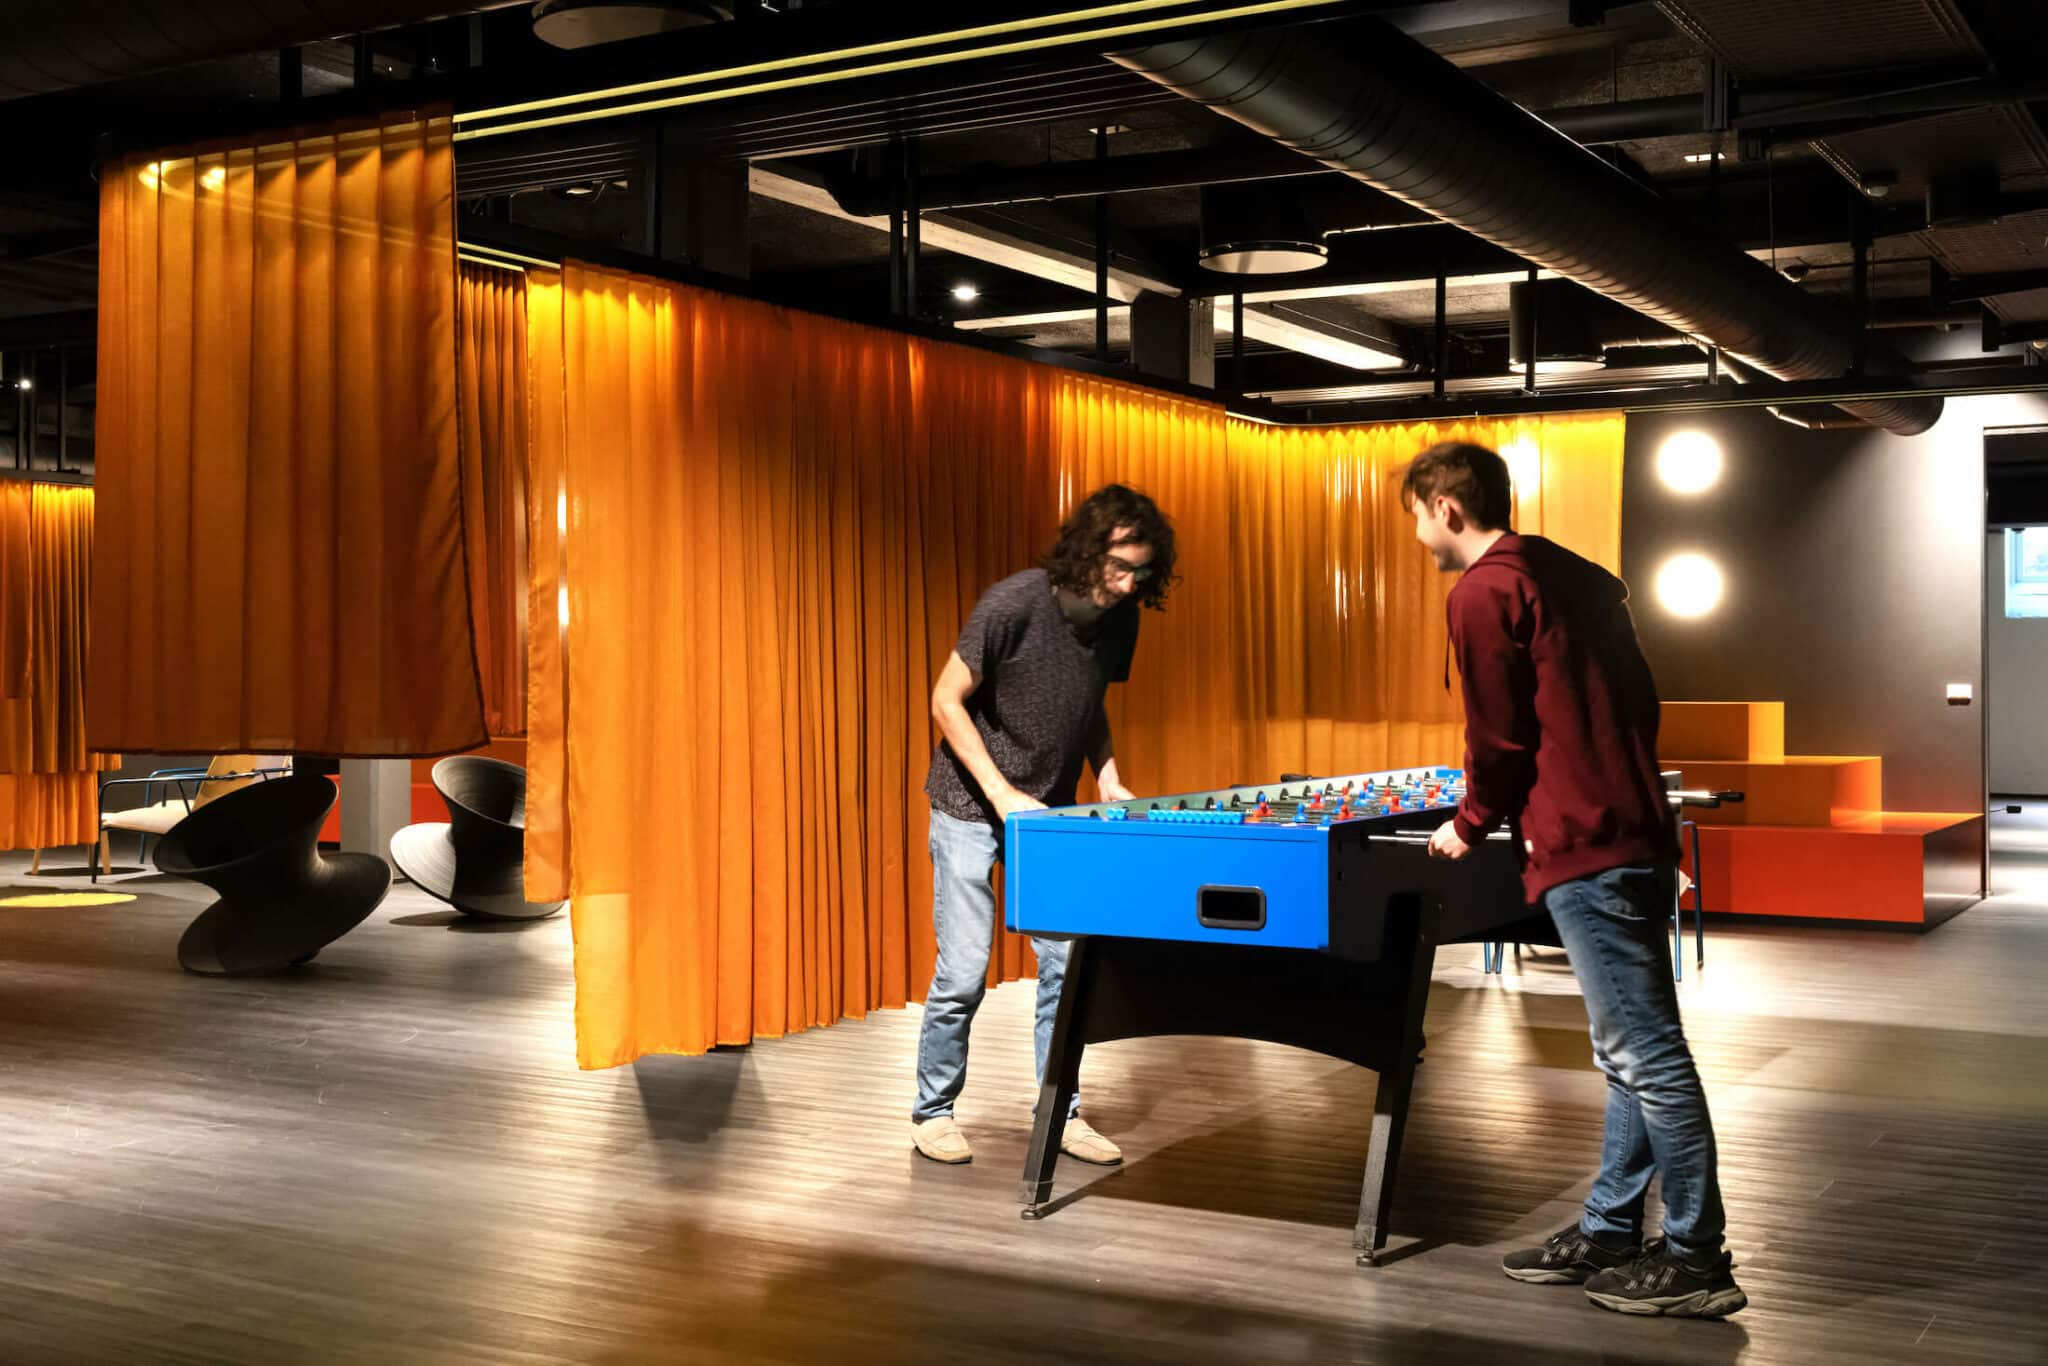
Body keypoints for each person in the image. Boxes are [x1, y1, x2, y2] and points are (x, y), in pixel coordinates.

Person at [1403, 441, 1747, 1319]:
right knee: (1630, 1050)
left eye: (1415, 515)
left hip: (1583, 841)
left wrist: (1470, 823)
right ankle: (1608, 1229)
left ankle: (1698, 1257)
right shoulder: (1579, 578)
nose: (1416, 533)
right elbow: (1641, 701)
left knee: (1649, 1056)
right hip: (1635, 829)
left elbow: (1498, 736)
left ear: (1445, 508)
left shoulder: (1483, 589)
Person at [910, 483, 1176, 1167]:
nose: (1125, 584)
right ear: (1085, 551)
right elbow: (945, 701)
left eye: (1139, 573)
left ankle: (1061, 1112)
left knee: (1066, 965)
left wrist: (1108, 772)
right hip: (971, 806)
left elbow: (1089, 706)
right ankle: (932, 1111)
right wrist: (999, 793)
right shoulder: (1014, 603)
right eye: (1117, 566)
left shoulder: (1122, 620)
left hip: (1049, 812)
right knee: (965, 971)